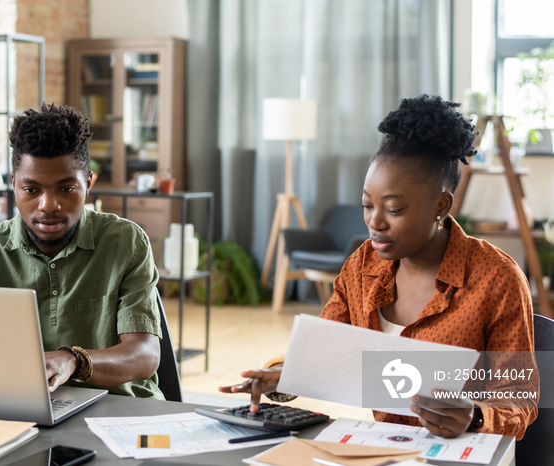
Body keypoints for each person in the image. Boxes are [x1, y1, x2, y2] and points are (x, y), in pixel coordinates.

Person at [221, 94, 538, 440]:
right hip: (385, 448)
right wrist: (283, 375)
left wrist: (475, 416)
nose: (375, 222)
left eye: (393, 209)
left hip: (464, 452)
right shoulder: (362, 267)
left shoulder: (496, 278)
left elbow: (520, 400)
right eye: (367, 205)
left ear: (441, 206)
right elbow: (326, 353)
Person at [0, 103, 164, 399]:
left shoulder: (126, 242)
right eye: (31, 190)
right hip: (15, 409)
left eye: (66, 189)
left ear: (88, 184)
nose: (48, 205)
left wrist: (75, 360)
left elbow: (145, 355)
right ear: (13, 184)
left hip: (119, 411)